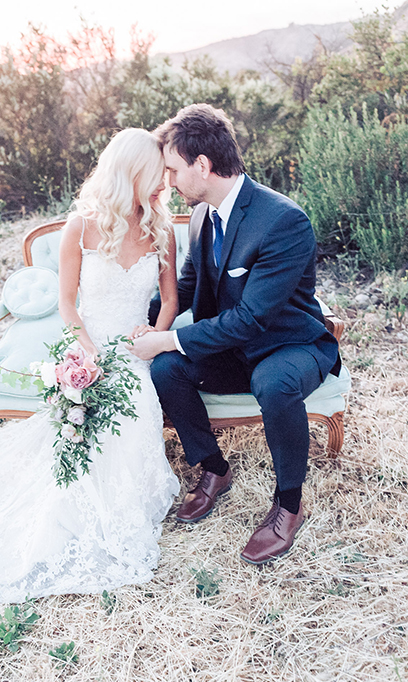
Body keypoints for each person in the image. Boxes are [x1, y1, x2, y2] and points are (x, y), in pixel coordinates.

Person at [0, 128, 180, 603]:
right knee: (84, 422)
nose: (163, 184)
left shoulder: (158, 227)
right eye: (155, 175)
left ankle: (123, 504)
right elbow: (67, 305)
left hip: (137, 351)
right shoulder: (81, 226)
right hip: (89, 347)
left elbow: (169, 299)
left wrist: (155, 332)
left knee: (138, 402)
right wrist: (87, 353)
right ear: (131, 173)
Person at [129, 104, 341, 565]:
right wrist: (136, 321)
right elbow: (187, 286)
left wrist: (169, 337)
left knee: (274, 382)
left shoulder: (283, 221)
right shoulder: (203, 214)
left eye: (172, 170)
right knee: (167, 367)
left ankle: (288, 504)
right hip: (231, 350)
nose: (168, 182)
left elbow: (251, 319)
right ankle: (214, 469)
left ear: (202, 166)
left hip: (289, 345)